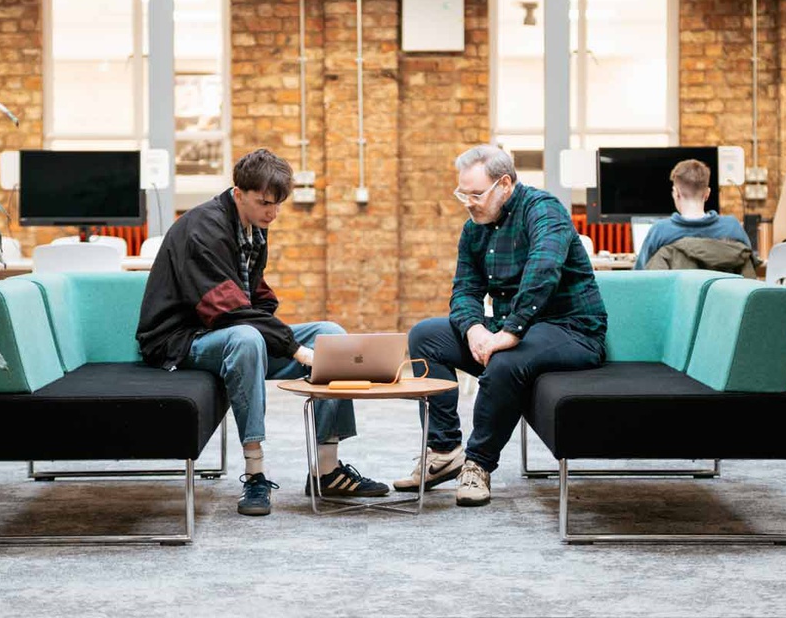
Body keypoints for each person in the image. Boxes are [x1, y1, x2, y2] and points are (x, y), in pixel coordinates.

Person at [136, 148, 388, 516]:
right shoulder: (202, 230)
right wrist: (293, 349)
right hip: (180, 342)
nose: (272, 213)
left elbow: (252, 294)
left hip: (227, 332)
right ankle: (254, 475)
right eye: (264, 203)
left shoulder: (252, 226)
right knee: (248, 337)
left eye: (277, 205)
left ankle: (328, 471)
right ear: (238, 193)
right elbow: (229, 309)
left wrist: (287, 337)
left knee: (329, 334)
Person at [399, 145, 608, 506]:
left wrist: (508, 333)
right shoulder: (474, 230)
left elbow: (543, 273)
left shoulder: (544, 211)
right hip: (514, 327)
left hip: (570, 329)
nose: (468, 201)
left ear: (505, 184)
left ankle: (478, 464)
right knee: (425, 336)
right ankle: (445, 449)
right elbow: (464, 289)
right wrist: (475, 330)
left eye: (476, 194)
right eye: (462, 193)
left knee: (506, 360)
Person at [633, 159, 754, 271]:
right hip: (725, 294)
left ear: (676, 193)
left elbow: (640, 275)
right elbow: (749, 267)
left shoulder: (660, 231)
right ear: (707, 194)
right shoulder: (732, 227)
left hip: (677, 294)